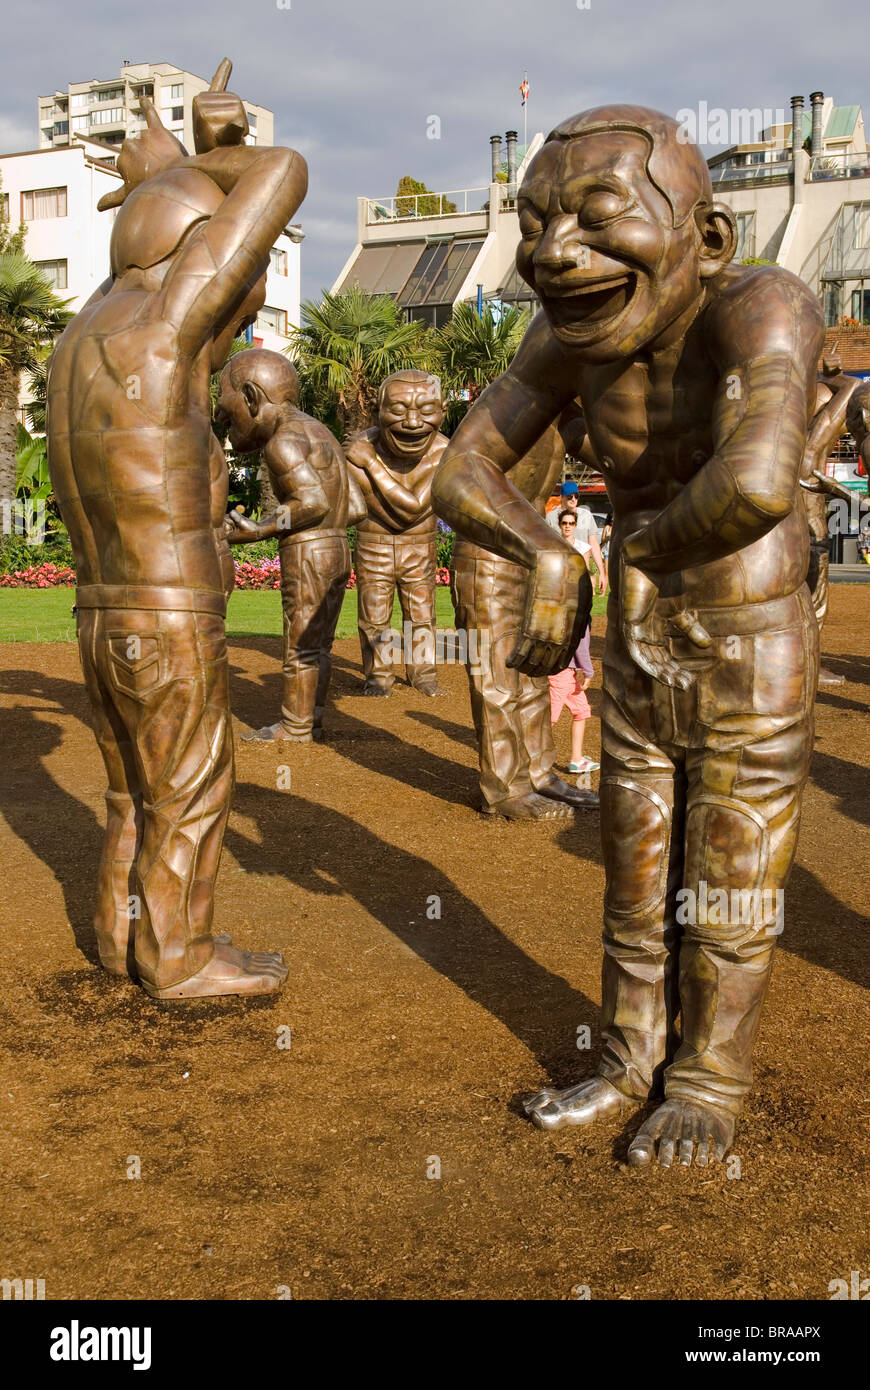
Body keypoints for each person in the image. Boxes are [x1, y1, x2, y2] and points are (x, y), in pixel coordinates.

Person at [434, 103, 826, 1167]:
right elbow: (462, 470)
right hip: (644, 639)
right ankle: (626, 1056)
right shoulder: (566, 336)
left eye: (601, 222)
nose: (558, 255)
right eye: (539, 224)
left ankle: (707, 1079)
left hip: (745, 631)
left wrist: (631, 559)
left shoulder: (764, 306)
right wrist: (553, 555)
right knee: (635, 858)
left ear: (705, 241)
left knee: (730, 861)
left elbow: (754, 480)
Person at [46, 63, 308, 999]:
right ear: (201, 246)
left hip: (97, 608)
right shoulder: (168, 319)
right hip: (170, 608)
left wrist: (167, 167)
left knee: (129, 790)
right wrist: (213, 149)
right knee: (191, 787)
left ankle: (123, 941)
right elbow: (285, 171)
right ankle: (181, 958)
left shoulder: (82, 334)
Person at [217, 349, 366, 743]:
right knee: (319, 645)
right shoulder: (321, 433)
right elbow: (355, 507)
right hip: (337, 549)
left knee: (299, 641)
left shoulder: (281, 442)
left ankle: (294, 726)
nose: (225, 425)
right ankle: (310, 720)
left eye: (227, 414)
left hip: (309, 552)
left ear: (251, 397)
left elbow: (312, 501)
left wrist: (262, 528)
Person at [345, 371, 447, 697]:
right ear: (378, 409)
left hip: (420, 544)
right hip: (373, 544)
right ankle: (378, 677)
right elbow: (355, 507)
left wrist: (372, 467)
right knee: (373, 615)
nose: (413, 423)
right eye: (399, 410)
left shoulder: (445, 452)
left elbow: (411, 511)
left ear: (443, 410)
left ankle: (423, 674)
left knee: (421, 614)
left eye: (426, 410)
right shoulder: (359, 447)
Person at [549, 509, 600, 773]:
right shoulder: (577, 612)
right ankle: (528, 759)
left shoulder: (576, 607)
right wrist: (588, 671)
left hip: (568, 672)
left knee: (582, 711)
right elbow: (579, 644)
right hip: (561, 670)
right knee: (548, 718)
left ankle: (576, 759)